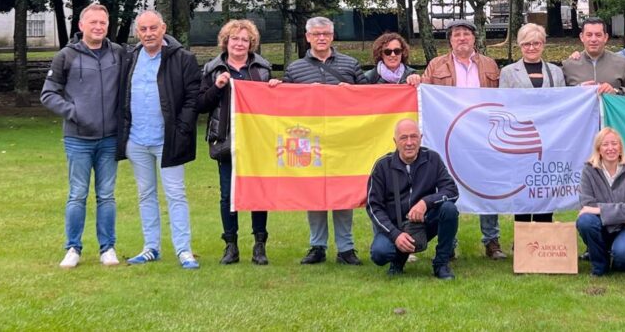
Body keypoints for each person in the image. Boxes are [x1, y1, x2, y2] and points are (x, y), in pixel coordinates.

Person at [40, 3, 124, 269]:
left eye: (103, 23)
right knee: (77, 194)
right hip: (78, 139)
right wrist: (73, 112)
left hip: (110, 138)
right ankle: (73, 248)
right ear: (81, 26)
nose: (98, 27)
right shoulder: (66, 56)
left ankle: (108, 248)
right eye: (93, 23)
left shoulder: (118, 53)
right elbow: (48, 94)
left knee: (107, 195)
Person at [117, 10, 202, 269]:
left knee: (176, 194)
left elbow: (193, 96)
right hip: (137, 140)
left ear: (163, 28)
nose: (148, 34)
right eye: (142, 29)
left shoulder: (183, 58)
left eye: (153, 28)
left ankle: (183, 250)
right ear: (136, 32)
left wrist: (182, 128)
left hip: (169, 140)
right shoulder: (129, 58)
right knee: (146, 195)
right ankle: (151, 247)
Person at [283, 16, 367, 266]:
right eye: (316, 34)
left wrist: (351, 93)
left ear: (333, 36)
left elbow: (368, 98)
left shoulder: (350, 65)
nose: (321, 38)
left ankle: (346, 248)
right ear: (307, 37)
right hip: (309, 141)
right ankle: (317, 246)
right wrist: (275, 88)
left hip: (343, 140)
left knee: (344, 193)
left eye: (326, 34)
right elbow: (284, 106)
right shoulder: (294, 69)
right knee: (314, 193)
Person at [420, 19, 505, 259]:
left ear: (474, 39)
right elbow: (422, 95)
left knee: (487, 185)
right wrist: (416, 81)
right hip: (449, 136)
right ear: (450, 40)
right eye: (456, 35)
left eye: (466, 34)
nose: (462, 38)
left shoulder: (489, 64)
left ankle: (492, 240)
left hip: (483, 136)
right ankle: (451, 241)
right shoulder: (436, 65)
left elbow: (503, 98)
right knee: (448, 186)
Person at [196, 19, 274, 266]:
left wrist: (274, 89)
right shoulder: (212, 69)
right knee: (228, 194)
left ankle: (259, 245)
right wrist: (217, 87)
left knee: (257, 193)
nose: (239, 43)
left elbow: (271, 106)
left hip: (255, 140)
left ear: (251, 43)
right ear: (226, 42)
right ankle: (231, 245)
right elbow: (201, 105)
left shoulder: (262, 69)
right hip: (225, 139)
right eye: (235, 39)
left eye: (244, 39)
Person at [367, 118, 459, 279]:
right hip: (395, 226)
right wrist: (395, 235)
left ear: (420, 138)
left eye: (413, 136)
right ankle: (397, 260)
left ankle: (441, 264)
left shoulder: (433, 159)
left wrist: (426, 202)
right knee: (380, 253)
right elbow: (373, 206)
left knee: (449, 209)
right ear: (395, 141)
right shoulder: (382, 166)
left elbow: (452, 191)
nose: (409, 142)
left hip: (424, 223)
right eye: (404, 138)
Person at [500, 22, 565, 223]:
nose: (531, 48)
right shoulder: (509, 72)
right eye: (526, 44)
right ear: (520, 45)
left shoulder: (555, 71)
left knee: (544, 188)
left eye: (536, 43)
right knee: (522, 190)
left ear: (543, 45)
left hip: (549, 140)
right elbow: (504, 105)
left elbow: (562, 104)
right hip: (522, 141)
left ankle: (543, 233)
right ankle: (522, 239)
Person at [576, 127, 625, 276]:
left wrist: (599, 210)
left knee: (623, 257)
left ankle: (616, 254)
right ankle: (600, 266)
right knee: (585, 221)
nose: (610, 148)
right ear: (599, 149)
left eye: (614, 144)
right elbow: (587, 203)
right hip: (623, 223)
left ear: (620, 147)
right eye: (605, 144)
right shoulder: (589, 170)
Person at [561, 17, 625, 96]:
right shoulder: (568, 66)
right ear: (582, 37)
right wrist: (578, 89)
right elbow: (560, 97)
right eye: (589, 35)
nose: (593, 39)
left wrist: (616, 91)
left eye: (598, 35)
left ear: (605, 37)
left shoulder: (623, 63)